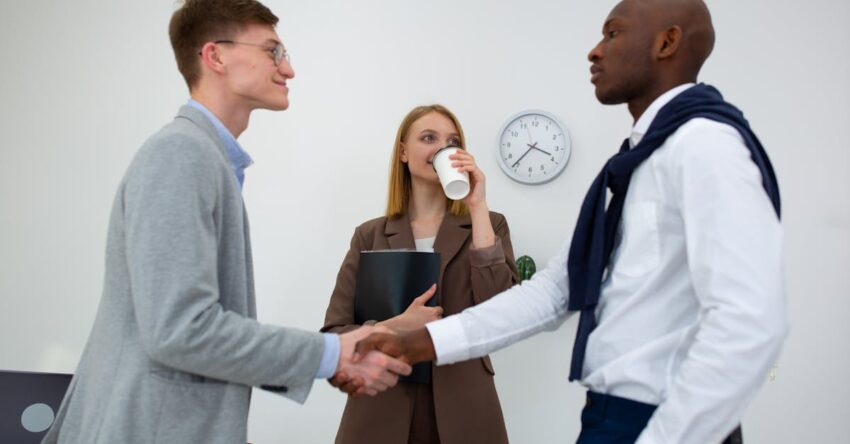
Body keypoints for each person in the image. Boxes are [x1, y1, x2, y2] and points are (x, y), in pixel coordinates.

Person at [345, 1, 788, 443]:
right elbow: (555, 291)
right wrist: (416, 342)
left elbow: (749, 321)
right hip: (611, 415)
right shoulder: (639, 161)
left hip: (660, 420)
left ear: (667, 42)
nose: (594, 51)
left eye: (612, 34)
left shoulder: (703, 145)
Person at [43, 1, 409, 442]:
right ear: (215, 56)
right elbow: (181, 330)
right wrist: (331, 354)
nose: (288, 69)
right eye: (273, 51)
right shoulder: (180, 154)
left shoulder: (210, 161)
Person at [322, 105, 518, 443]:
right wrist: (394, 326)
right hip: (383, 403)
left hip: (465, 403)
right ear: (403, 152)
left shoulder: (488, 223)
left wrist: (477, 206)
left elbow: (502, 311)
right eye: (429, 138)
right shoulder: (370, 235)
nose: (443, 148)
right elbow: (336, 332)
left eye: (453, 141)